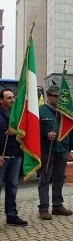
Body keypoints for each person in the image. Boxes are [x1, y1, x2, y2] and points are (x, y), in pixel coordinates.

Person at [38, 85, 73, 220]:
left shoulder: (63, 111)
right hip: (47, 150)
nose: (58, 98)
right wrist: (45, 135)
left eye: (60, 96)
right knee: (44, 179)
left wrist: (71, 149)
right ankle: (43, 208)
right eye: (56, 96)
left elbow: (69, 131)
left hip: (62, 149)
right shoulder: (40, 111)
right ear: (48, 96)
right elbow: (33, 132)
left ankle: (57, 206)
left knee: (59, 178)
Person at [0, 88, 28, 226]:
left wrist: (15, 131)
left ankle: (11, 215)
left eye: (13, 97)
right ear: (1, 100)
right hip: (1, 157)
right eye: (8, 98)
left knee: (12, 186)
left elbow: (24, 132)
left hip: (15, 156)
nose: (12, 100)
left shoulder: (17, 114)